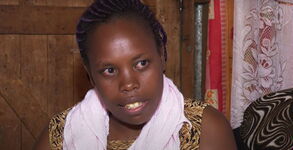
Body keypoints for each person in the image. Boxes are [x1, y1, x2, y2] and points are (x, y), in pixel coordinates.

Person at [35, 0, 237, 149]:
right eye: (110, 70)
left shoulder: (205, 131)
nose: (129, 84)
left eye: (141, 63)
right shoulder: (61, 136)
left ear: (162, 56)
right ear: (90, 76)